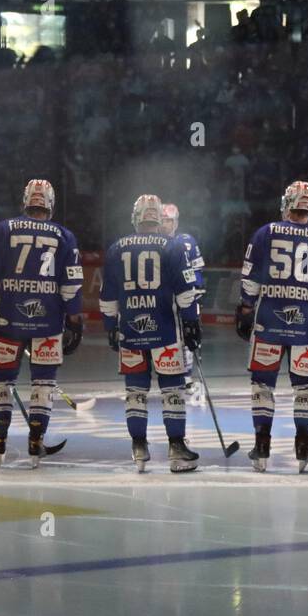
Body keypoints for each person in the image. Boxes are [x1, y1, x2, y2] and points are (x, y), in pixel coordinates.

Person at [235, 181, 308, 472]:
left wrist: (246, 309)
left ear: (287, 203)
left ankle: (262, 444)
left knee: (262, 385)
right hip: (307, 324)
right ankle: (302, 443)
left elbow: (250, 279)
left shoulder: (265, 232)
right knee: (305, 388)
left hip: (268, 321)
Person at [0, 179, 84, 468]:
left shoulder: (4, 228)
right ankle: (36, 443)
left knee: (1, 381)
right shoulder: (64, 235)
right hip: (48, 323)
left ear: (26, 200)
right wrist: (75, 321)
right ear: (50, 202)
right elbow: (70, 285)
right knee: (44, 383)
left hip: (9, 320)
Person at [101, 194, 202, 473]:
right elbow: (185, 292)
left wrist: (110, 326)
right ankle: (176, 449)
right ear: (158, 218)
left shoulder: (116, 248)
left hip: (131, 330)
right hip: (166, 330)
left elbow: (108, 295)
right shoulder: (172, 245)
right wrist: (192, 322)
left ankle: (139, 446)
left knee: (135, 391)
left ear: (136, 217)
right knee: (173, 390)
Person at [159, 202, 206, 403]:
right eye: (162, 220)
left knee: (189, 336)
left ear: (176, 222)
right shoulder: (153, 242)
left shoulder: (187, 242)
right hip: (162, 300)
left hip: (184, 296)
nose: (165, 225)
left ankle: (187, 377)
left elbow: (197, 271)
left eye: (169, 221)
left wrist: (196, 290)